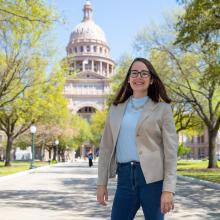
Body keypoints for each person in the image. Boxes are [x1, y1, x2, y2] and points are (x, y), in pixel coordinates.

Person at [96, 57, 178, 220]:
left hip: (153, 182)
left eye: (144, 73)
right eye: (134, 73)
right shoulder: (115, 109)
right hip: (125, 178)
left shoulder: (163, 109)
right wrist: (101, 183)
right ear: (128, 79)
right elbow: (106, 147)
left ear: (152, 79)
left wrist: (168, 189)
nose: (138, 77)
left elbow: (170, 152)